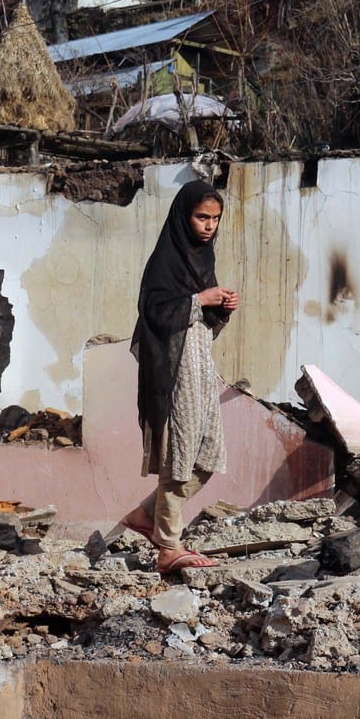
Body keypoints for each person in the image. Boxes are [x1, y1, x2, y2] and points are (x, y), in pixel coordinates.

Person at [123, 179, 239, 573]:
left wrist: (220, 307)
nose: (209, 225)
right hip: (173, 373)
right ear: (184, 216)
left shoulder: (202, 259)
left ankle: (145, 515)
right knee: (180, 454)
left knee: (208, 454)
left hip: (200, 365)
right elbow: (152, 313)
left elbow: (203, 320)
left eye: (215, 218)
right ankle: (168, 545)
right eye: (201, 217)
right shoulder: (164, 261)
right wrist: (197, 300)